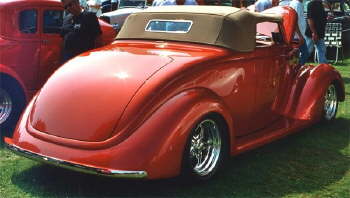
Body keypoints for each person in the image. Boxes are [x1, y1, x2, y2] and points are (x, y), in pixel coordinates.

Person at [289, 0, 308, 65]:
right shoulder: (297, 4)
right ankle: (297, 70)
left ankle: (295, 69)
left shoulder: (295, 3)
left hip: (297, 35)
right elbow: (294, 21)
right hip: (297, 36)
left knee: (296, 55)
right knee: (304, 54)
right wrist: (300, 36)